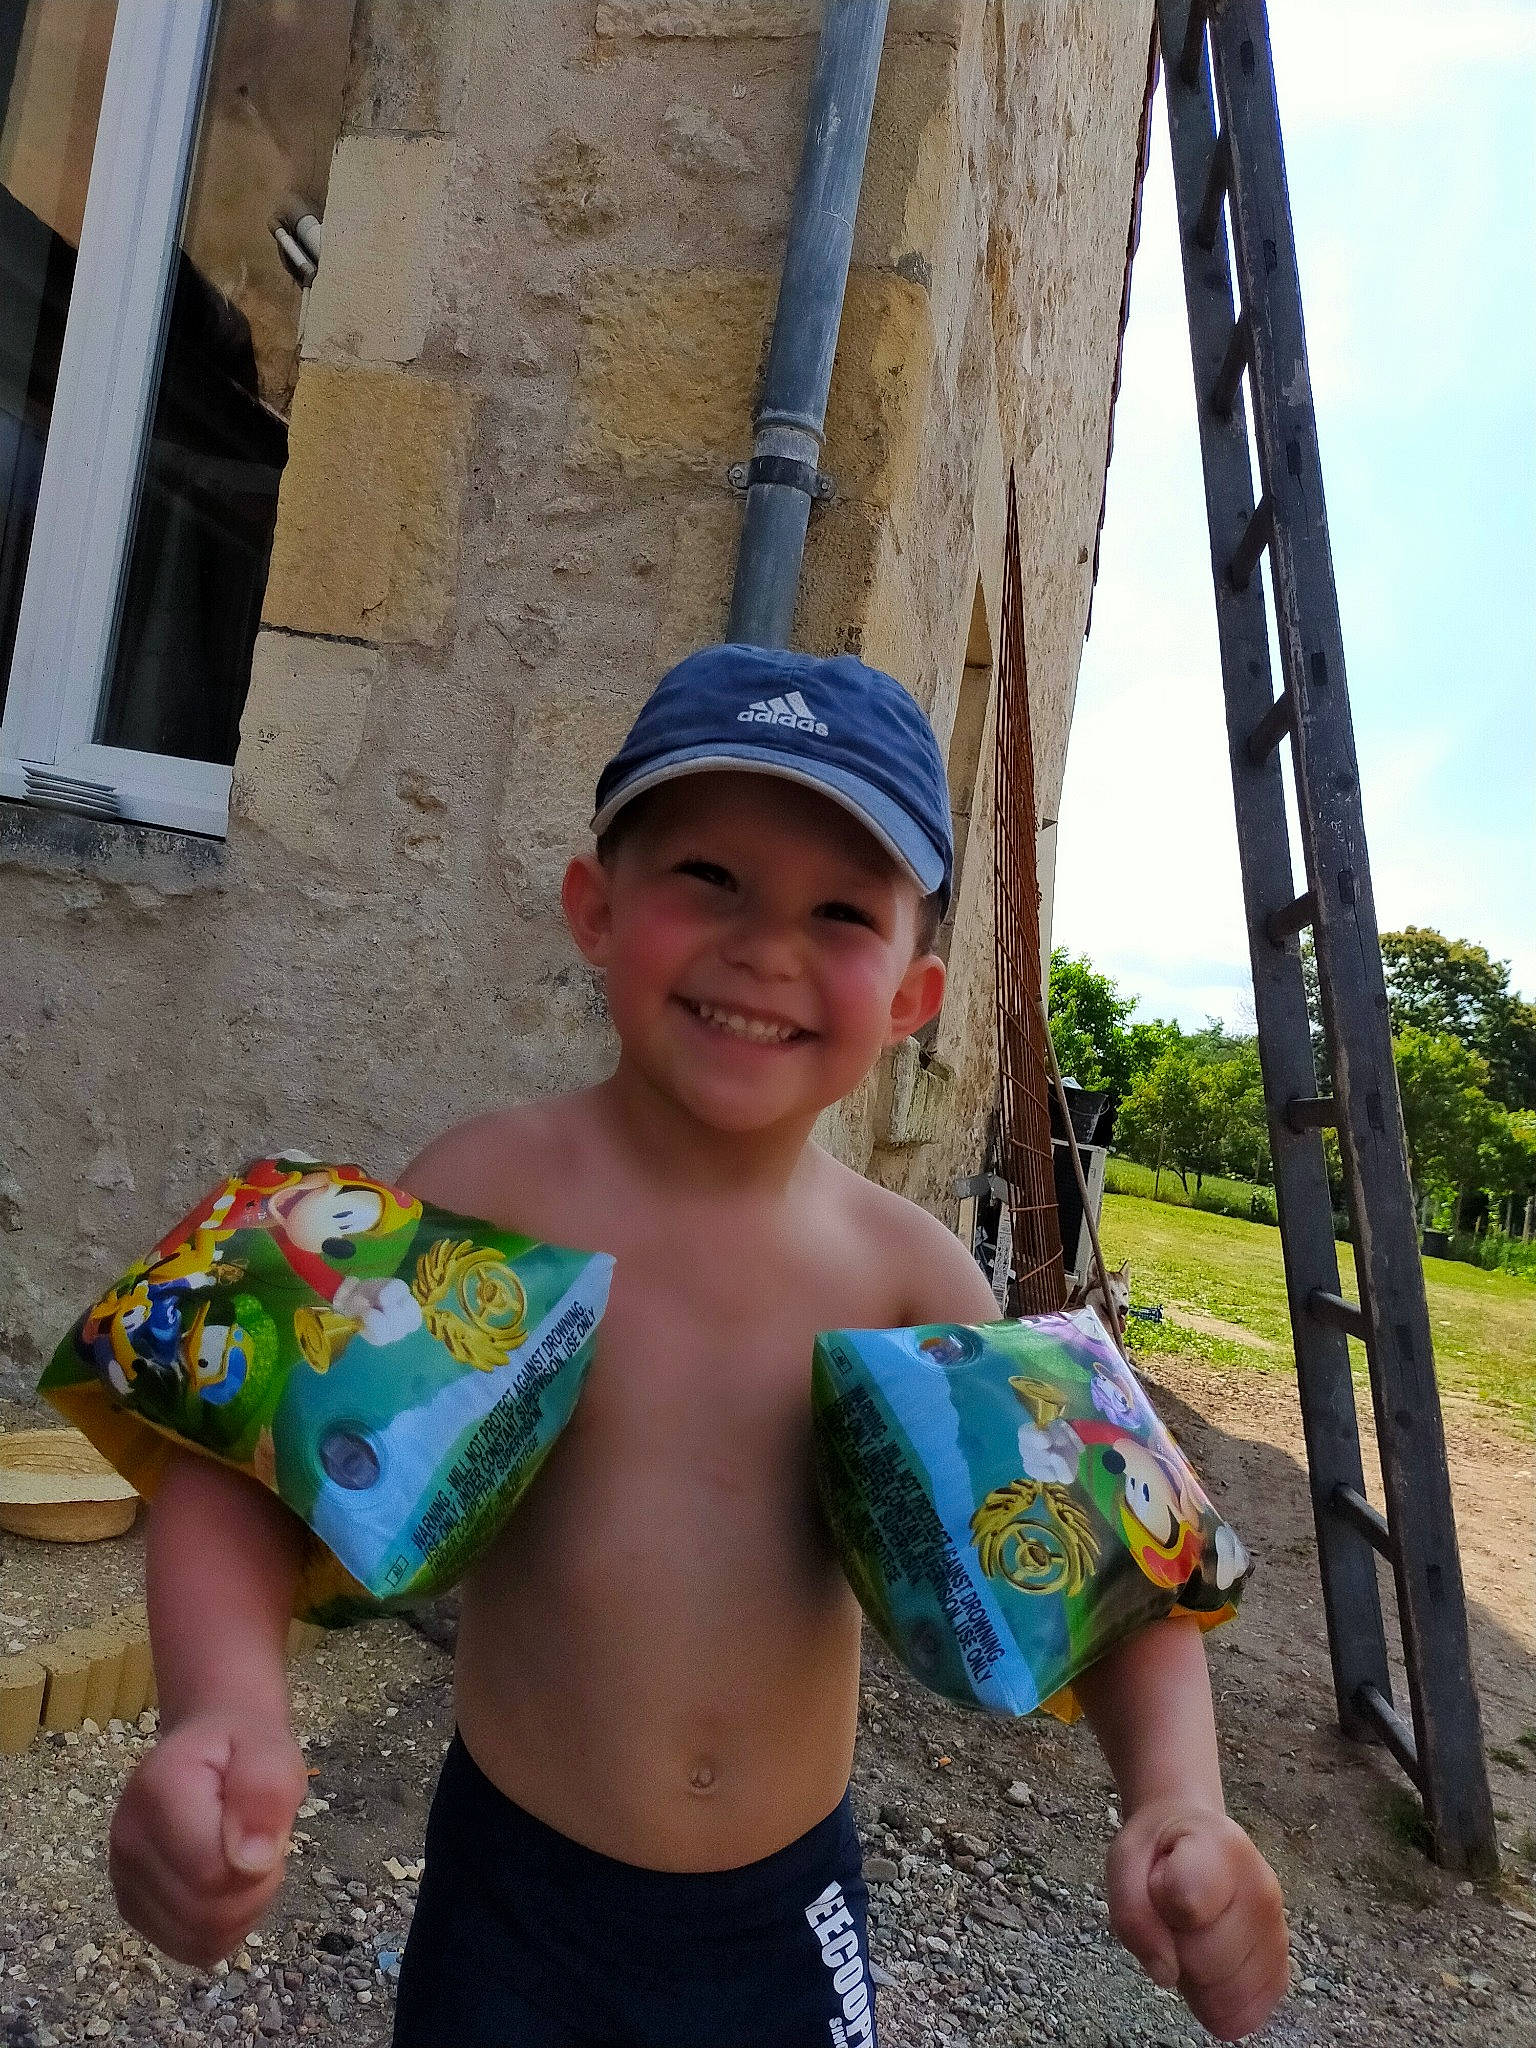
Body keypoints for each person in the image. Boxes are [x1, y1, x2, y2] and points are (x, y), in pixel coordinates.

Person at [108, 645, 1289, 2046]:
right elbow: (244, 1459)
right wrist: (218, 1713)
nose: (766, 946)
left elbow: (1116, 1563)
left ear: (912, 997)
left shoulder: (905, 1273)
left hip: (781, 1919)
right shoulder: (491, 1198)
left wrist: (1177, 1798)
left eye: (841, 910)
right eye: (708, 879)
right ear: (596, 909)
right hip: (514, 1901)